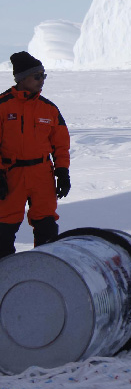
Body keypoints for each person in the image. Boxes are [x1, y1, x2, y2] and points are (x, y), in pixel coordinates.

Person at [0, 52, 70, 258]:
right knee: (4, 229)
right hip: (11, 175)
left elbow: (61, 144)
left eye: (44, 76)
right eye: (37, 76)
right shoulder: (3, 106)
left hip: (42, 174)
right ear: (22, 79)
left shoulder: (49, 109)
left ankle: (43, 272)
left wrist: (63, 172)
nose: (42, 81)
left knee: (46, 226)